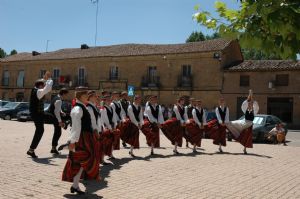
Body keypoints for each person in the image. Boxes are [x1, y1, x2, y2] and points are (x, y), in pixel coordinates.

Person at [62, 87, 100, 195]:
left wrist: (94, 130)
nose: (88, 97)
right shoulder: (77, 109)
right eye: (85, 95)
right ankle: (75, 185)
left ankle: (75, 185)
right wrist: (73, 141)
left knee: (81, 162)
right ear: (80, 96)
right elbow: (76, 127)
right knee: (82, 160)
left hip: (85, 137)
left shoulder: (83, 107)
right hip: (81, 138)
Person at [27, 71, 53, 158]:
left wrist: (44, 78)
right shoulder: (38, 92)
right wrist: (49, 79)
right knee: (40, 130)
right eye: (43, 85)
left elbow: (44, 86)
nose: (44, 86)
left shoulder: (36, 89)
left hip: (40, 113)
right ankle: (31, 150)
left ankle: (61, 123)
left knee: (53, 118)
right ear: (40, 86)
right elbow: (48, 88)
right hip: (37, 114)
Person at [226, 90, 259, 154]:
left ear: (252, 105)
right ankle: (233, 133)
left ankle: (245, 149)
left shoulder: (254, 112)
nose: (249, 105)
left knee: (247, 137)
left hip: (249, 125)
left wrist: (251, 95)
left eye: (251, 105)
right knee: (232, 123)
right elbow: (244, 104)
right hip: (244, 123)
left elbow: (255, 105)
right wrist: (249, 95)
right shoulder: (245, 110)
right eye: (249, 105)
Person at [47, 88, 69, 155]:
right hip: (55, 118)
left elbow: (58, 109)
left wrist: (62, 112)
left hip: (54, 116)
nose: (67, 96)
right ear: (63, 94)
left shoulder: (56, 97)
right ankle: (53, 148)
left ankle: (53, 148)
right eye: (66, 95)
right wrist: (60, 122)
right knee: (57, 133)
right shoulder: (59, 100)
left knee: (57, 132)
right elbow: (56, 112)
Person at [100, 94, 119, 160]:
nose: (109, 101)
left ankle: (110, 153)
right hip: (106, 127)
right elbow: (104, 120)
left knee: (113, 140)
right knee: (105, 143)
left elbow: (114, 117)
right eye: (107, 100)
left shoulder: (111, 107)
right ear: (104, 101)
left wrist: (115, 125)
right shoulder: (103, 109)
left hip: (112, 125)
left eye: (109, 100)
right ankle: (102, 158)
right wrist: (109, 128)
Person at [86, 90, 103, 162]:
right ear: (90, 97)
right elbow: (93, 121)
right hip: (92, 131)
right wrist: (96, 131)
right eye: (94, 96)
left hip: (97, 129)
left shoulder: (94, 106)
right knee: (92, 149)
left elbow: (98, 119)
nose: (96, 97)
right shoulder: (89, 107)